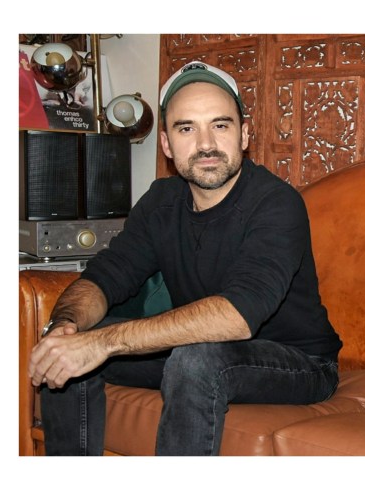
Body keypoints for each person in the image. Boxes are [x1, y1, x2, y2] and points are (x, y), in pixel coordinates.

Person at [28, 61, 342, 456]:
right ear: (166, 143)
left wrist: (105, 342)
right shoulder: (161, 202)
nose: (206, 144)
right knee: (70, 350)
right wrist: (65, 328)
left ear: (244, 134)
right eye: (186, 128)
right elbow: (105, 277)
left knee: (194, 358)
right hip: (200, 352)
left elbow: (238, 316)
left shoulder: (276, 204)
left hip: (300, 363)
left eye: (220, 125)